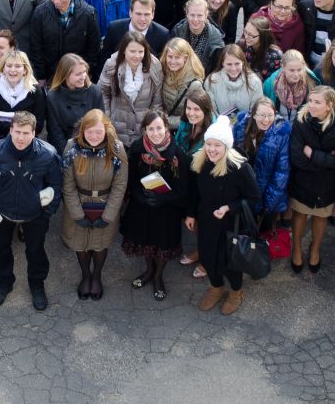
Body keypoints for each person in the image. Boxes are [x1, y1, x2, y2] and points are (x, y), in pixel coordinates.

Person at [0, 112, 63, 311]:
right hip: (1, 213)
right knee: (0, 251)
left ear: (34, 133)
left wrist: (47, 213)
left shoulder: (48, 155)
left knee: (36, 252)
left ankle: (37, 285)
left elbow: (56, 186)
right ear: (10, 130)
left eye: (26, 133)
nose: (21, 138)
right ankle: (5, 283)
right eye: (17, 132)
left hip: (35, 215)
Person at [187, 115, 261, 315]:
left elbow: (254, 198)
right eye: (208, 144)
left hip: (231, 224)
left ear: (226, 146)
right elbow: (194, 194)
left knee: (230, 262)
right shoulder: (200, 162)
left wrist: (229, 207)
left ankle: (236, 292)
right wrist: (191, 214)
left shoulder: (240, 167)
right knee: (208, 257)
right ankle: (216, 287)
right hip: (207, 221)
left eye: (217, 145)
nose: (211, 149)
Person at [61, 109, 129, 301]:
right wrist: (77, 214)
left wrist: (108, 216)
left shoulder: (116, 149)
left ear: (106, 130)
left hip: (105, 203)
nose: (93, 136)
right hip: (78, 203)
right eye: (89, 131)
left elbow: (120, 185)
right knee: (80, 245)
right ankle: (85, 275)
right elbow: (67, 184)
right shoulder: (72, 147)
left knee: (99, 245)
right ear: (82, 130)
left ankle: (96, 276)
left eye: (98, 131)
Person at [123, 109, 189, 301]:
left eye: (159, 128)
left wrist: (164, 199)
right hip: (142, 205)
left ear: (166, 127)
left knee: (162, 243)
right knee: (146, 241)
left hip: (167, 208)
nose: (155, 133)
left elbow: (183, 188)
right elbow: (131, 178)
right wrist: (140, 197)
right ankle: (149, 270)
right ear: (144, 130)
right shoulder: (137, 148)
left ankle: (158, 275)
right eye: (150, 129)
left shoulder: (177, 154)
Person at [288, 86, 335, 274]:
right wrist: (326, 160)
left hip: (327, 184)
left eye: (317, 102)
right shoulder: (301, 121)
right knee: (300, 214)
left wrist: (313, 155)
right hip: (303, 180)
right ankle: (296, 248)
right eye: (310, 101)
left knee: (321, 216)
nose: (311, 105)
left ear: (329, 105)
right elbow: (296, 157)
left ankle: (315, 248)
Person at [30, 0, 102, 83]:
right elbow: (36, 48)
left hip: (78, 76)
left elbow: (93, 49)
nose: (56, 1)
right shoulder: (40, 13)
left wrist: (84, 73)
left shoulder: (88, 14)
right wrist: (41, 76)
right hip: (51, 77)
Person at [234, 97, 292, 232]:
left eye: (270, 115)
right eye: (262, 115)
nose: (266, 120)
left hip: (266, 195)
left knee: (262, 233)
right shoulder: (240, 127)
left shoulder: (281, 134)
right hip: (242, 193)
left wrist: (268, 202)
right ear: (254, 115)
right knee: (240, 233)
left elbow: (281, 172)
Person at [98, 30, 163, 148]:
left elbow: (157, 101)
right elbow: (102, 93)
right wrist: (107, 120)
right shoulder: (112, 64)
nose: (137, 56)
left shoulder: (154, 65)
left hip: (143, 130)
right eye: (132, 51)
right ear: (124, 50)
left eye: (140, 51)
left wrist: (151, 127)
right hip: (116, 129)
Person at [0, 50, 47, 142]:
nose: (13, 70)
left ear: (25, 70)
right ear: (3, 68)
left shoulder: (35, 90)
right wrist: (17, 127)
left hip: (26, 141)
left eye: (18, 66)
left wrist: (13, 129)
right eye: (9, 66)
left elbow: (38, 125)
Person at [45, 54, 102, 150]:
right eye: (78, 74)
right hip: (64, 148)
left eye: (84, 72)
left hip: (91, 145)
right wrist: (67, 153)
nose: (83, 77)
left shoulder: (95, 92)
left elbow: (100, 124)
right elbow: (55, 132)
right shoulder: (53, 96)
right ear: (65, 75)